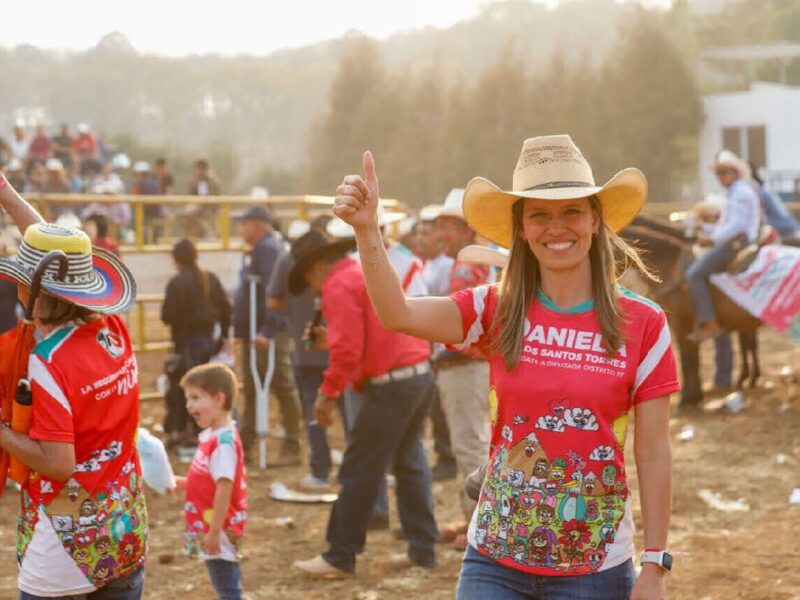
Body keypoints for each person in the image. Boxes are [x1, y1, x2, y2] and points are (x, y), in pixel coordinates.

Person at [332, 135, 679, 599]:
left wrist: (654, 564)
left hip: (593, 566)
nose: (557, 227)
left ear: (595, 219)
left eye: (570, 211)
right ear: (520, 228)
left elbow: (653, 451)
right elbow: (399, 314)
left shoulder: (644, 324)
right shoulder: (497, 308)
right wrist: (367, 231)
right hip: (493, 559)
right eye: (539, 213)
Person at [0, 171, 146, 598]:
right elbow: (55, 254)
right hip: (122, 527)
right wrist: (5, 193)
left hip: (66, 543)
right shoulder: (113, 329)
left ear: (34, 289)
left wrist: (3, 435)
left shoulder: (49, 364)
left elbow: (59, 463)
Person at [290, 229, 438, 578]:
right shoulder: (359, 274)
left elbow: (347, 351)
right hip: (416, 373)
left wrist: (326, 395)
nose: (311, 288)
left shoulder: (338, 285)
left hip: (390, 385)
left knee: (360, 468)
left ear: (316, 268)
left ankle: (340, 554)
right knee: (409, 462)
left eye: (308, 278)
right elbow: (364, 338)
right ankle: (423, 548)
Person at [433, 188, 493, 548]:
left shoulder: (467, 267)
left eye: (449, 226)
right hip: (469, 364)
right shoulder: (470, 263)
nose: (442, 233)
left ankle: (478, 526)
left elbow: (462, 325)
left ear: (467, 231)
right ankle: (472, 517)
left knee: (469, 445)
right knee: (471, 443)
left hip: (464, 363)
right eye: (440, 225)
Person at [267, 219, 339, 489]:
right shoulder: (341, 263)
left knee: (313, 408)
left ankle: (320, 470)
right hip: (338, 348)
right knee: (351, 412)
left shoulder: (287, 261)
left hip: (308, 348)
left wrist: (294, 318)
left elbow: (273, 299)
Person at [233, 205, 301, 464]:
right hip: (253, 330)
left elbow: (276, 293)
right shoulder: (257, 251)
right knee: (251, 387)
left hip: (266, 331)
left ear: (258, 225)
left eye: (245, 223)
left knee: (281, 384)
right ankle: (247, 443)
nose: (241, 229)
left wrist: (268, 330)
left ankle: (292, 444)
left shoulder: (268, 250)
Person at [175, 363, 247, 600]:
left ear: (218, 399)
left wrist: (215, 532)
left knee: (227, 587)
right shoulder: (212, 435)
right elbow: (211, 478)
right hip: (209, 524)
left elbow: (225, 486)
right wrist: (185, 483)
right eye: (188, 399)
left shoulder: (223, 443)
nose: (189, 405)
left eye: (196, 397)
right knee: (223, 580)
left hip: (219, 529)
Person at [162, 239, 232, 451]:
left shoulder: (177, 283)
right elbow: (226, 310)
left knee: (181, 388)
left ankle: (181, 431)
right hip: (208, 344)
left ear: (175, 259)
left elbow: (167, 315)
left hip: (185, 343)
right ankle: (198, 431)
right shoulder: (210, 279)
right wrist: (223, 338)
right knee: (202, 388)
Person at [686, 150, 760, 342]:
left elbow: (736, 225)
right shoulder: (736, 192)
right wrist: (706, 228)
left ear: (735, 173)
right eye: (719, 173)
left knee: (694, 274)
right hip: (734, 241)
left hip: (733, 245)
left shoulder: (739, 192)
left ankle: (710, 322)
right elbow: (727, 225)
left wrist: (713, 239)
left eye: (725, 172)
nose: (721, 177)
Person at [416, 213, 457, 481]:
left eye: (426, 234)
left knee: (445, 408)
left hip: (447, 344)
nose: (421, 239)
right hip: (431, 345)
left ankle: (447, 456)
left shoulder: (446, 266)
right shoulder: (425, 266)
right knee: (437, 406)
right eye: (419, 234)